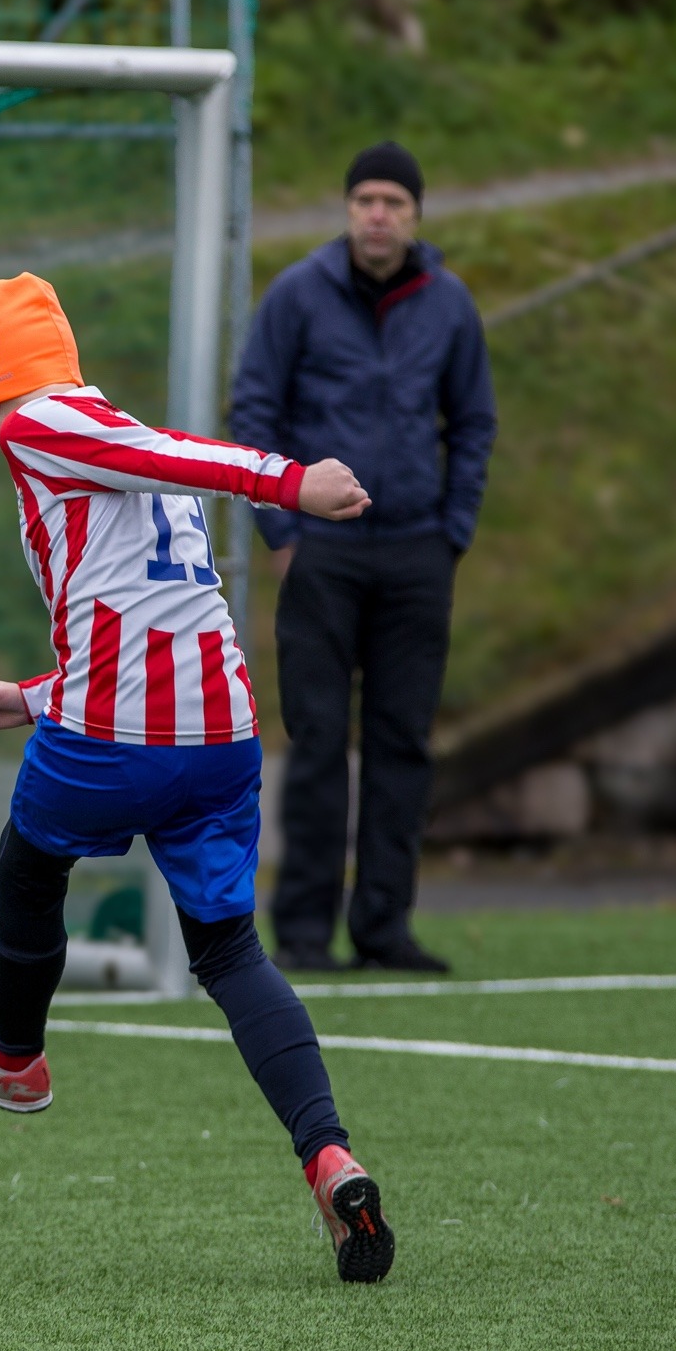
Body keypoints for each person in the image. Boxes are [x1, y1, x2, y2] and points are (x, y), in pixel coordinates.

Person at [0, 273, 395, 1285]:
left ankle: (14, 1058)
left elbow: (185, 456)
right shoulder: (97, 427)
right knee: (230, 953)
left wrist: (290, 482)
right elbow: (138, 604)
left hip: (120, 736)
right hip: (219, 734)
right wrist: (35, 696)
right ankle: (329, 1157)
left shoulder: (39, 422)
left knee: (30, 861)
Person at [230, 141, 497, 974]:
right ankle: (304, 933)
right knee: (316, 742)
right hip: (323, 553)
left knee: (402, 742)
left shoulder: (450, 304)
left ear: (416, 216)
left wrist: (452, 533)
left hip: (418, 553)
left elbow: (473, 423)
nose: (378, 215)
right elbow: (253, 410)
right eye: (365, 200)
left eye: (394, 202)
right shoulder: (298, 295)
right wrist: (283, 531)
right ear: (347, 210)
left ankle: (384, 928)